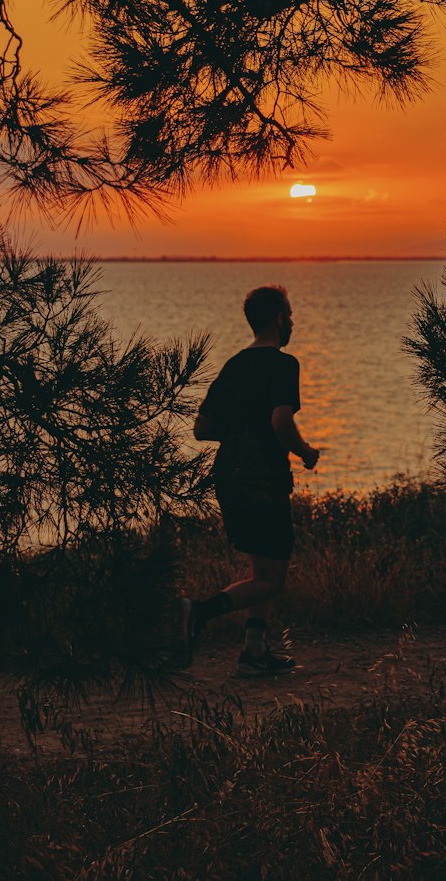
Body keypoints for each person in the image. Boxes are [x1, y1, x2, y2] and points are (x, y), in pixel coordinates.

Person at [172, 285, 320, 676]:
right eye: (289, 315)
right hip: (263, 478)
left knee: (261, 570)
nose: (292, 322)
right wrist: (304, 452)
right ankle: (199, 612)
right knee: (272, 581)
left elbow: (202, 428)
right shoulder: (283, 365)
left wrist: (243, 432)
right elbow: (281, 422)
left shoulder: (234, 365)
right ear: (277, 319)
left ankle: (254, 653)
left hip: (229, 475)